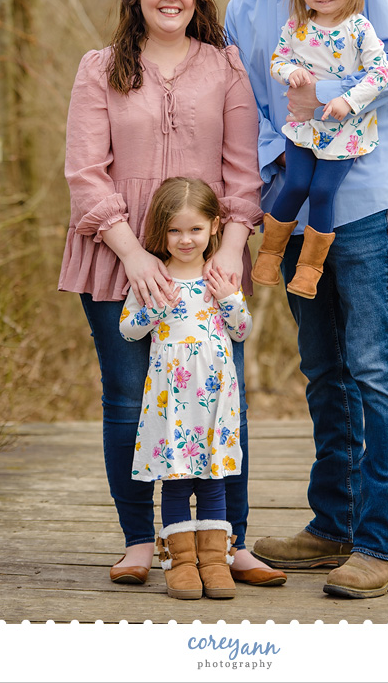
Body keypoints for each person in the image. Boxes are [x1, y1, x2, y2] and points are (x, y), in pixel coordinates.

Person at [225, 0, 388, 599]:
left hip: (368, 201)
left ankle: (383, 542)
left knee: (375, 368)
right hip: (297, 204)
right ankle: (333, 523)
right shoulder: (244, 6)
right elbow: (248, 110)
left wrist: (324, 96)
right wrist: (267, 173)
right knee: (323, 372)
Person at [59, 0, 285, 588]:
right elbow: (84, 172)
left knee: (221, 400)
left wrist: (232, 249)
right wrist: (131, 253)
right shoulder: (100, 69)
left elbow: (244, 172)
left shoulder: (226, 67)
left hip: (203, 262)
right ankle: (141, 541)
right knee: (129, 401)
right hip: (115, 256)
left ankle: (230, 541)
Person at [119, 177, 256, 600]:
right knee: (176, 480)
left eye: (195, 229)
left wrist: (231, 298)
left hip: (215, 398)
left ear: (215, 226)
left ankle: (216, 562)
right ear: (162, 232)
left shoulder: (219, 277)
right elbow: (126, 330)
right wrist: (151, 309)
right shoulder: (155, 279)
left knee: (214, 481)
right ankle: (181, 564)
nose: (184, 239)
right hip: (172, 403)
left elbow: (241, 331)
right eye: (175, 230)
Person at [251, 0, 388, 299]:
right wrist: (289, 73)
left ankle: (309, 271)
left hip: (345, 131)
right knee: (295, 184)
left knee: (322, 191)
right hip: (303, 127)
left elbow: (380, 73)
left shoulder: (360, 29)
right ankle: (269, 255)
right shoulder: (297, 26)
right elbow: (278, 60)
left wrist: (348, 100)